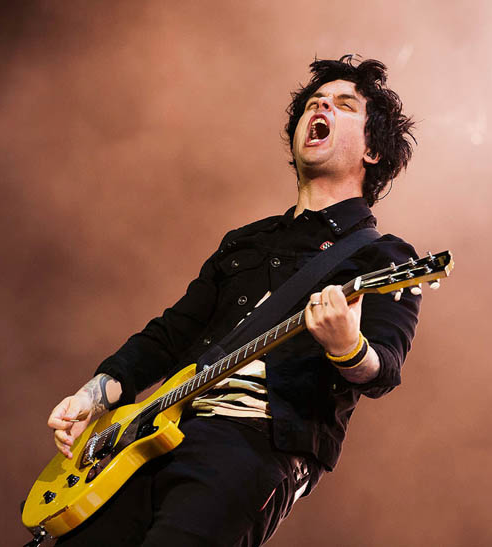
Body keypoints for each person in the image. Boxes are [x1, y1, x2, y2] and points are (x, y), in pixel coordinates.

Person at [47, 54, 420, 546]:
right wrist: (94, 394)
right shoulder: (246, 241)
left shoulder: (385, 256)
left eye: (343, 105)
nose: (321, 108)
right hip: (154, 435)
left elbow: (384, 368)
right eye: (314, 102)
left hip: (252, 446)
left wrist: (348, 346)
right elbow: (170, 333)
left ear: (372, 150)